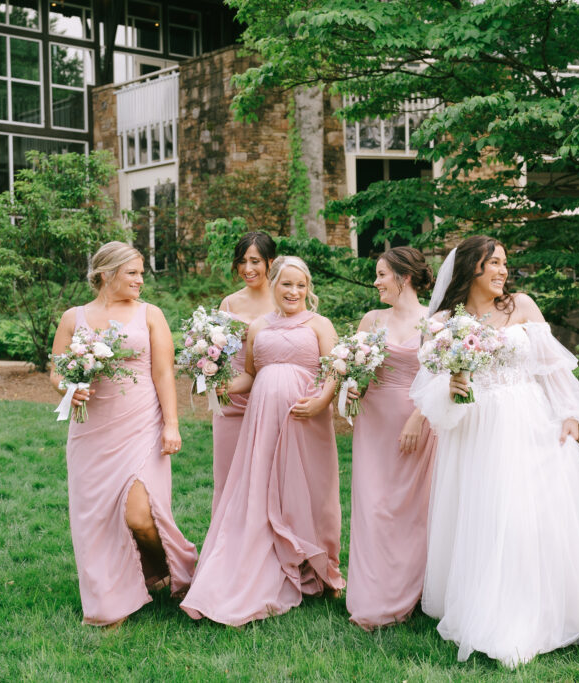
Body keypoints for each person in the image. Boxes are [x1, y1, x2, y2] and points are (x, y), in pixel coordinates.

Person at [410, 235, 579, 667]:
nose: (502, 271)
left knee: (526, 517)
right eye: (493, 263)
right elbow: (429, 391)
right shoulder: (443, 321)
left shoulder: (522, 306)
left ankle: (533, 611)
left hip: (528, 421)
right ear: (471, 268)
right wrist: (452, 385)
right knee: (487, 516)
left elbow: (549, 366)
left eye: (504, 263)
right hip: (476, 430)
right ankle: (488, 608)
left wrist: (570, 413)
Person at [180, 255, 346, 625]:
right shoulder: (258, 327)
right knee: (264, 489)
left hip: (306, 419)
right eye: (287, 284)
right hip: (263, 422)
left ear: (308, 289)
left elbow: (334, 367)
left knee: (313, 490)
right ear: (274, 285)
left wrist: (321, 400)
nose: (294, 291)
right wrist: (219, 383)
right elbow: (251, 375)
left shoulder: (320, 324)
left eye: (301, 285)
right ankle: (266, 563)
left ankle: (322, 568)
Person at [50, 241, 197, 625]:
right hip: (91, 431)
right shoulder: (73, 317)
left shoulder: (150, 314)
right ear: (105, 274)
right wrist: (69, 386)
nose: (140, 279)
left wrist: (171, 424)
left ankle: (167, 568)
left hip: (141, 425)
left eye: (141, 272)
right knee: (94, 518)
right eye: (132, 272)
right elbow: (56, 370)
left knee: (140, 516)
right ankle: (108, 602)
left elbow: (164, 372)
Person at [345, 247, 437, 629]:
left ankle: (407, 593)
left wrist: (418, 417)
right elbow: (357, 369)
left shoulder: (435, 320)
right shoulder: (371, 319)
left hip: (417, 420)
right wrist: (352, 387)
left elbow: (442, 377)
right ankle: (371, 596)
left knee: (409, 509)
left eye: (382, 275)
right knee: (372, 506)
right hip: (375, 420)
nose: (376, 282)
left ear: (405, 277)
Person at [212, 232, 276, 513]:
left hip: (272, 396)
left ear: (270, 262)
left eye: (255, 261)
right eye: (242, 261)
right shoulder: (228, 304)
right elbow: (215, 351)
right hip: (231, 399)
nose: (247, 269)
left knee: (267, 476)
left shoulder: (284, 298)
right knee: (227, 476)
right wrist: (211, 375)